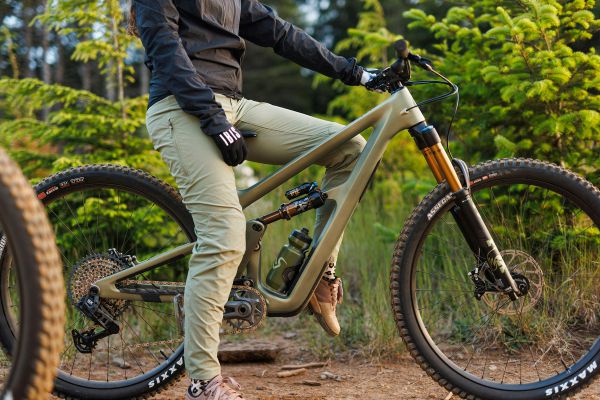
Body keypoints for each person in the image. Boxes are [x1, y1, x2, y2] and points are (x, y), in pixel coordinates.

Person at [129, 1, 374, 398]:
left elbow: (279, 33)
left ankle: (317, 274)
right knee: (224, 237)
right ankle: (203, 382)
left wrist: (354, 72)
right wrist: (212, 118)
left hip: (234, 105)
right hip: (181, 106)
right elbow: (164, 49)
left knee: (351, 148)